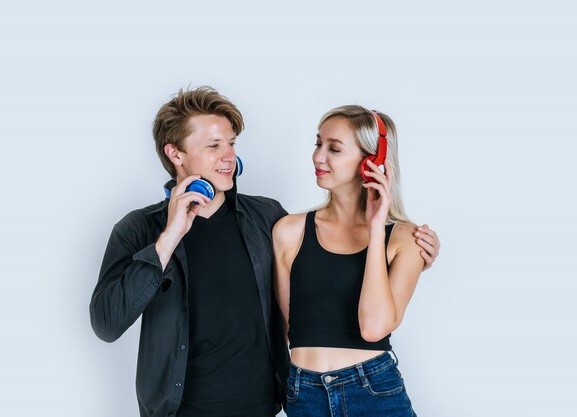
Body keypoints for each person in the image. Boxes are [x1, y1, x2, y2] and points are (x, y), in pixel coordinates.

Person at [90, 87, 440, 417]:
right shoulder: (139, 229)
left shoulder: (266, 218)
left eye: (231, 143)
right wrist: (168, 238)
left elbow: (324, 280)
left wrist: (407, 260)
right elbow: (106, 324)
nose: (230, 157)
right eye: (214, 146)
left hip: (267, 407)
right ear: (175, 153)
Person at [273, 105, 436, 416]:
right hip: (302, 395)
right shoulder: (289, 231)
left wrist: (376, 229)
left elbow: (374, 329)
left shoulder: (406, 240)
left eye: (334, 148)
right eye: (318, 143)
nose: (318, 157)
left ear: (371, 162)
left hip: (374, 392)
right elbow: (286, 330)